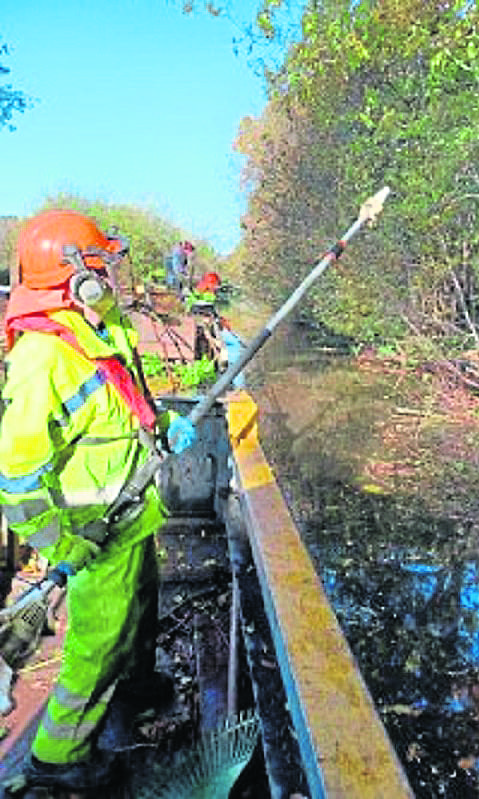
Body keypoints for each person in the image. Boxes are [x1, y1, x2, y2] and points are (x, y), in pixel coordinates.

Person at [0, 209, 198, 797]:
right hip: (96, 529)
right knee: (96, 643)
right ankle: (57, 760)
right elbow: (15, 474)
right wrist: (60, 543)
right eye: (101, 266)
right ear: (75, 279)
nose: (113, 276)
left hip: (135, 514)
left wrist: (161, 423)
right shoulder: (43, 358)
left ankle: (134, 688)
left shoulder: (98, 327)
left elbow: (121, 403)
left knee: (140, 608)